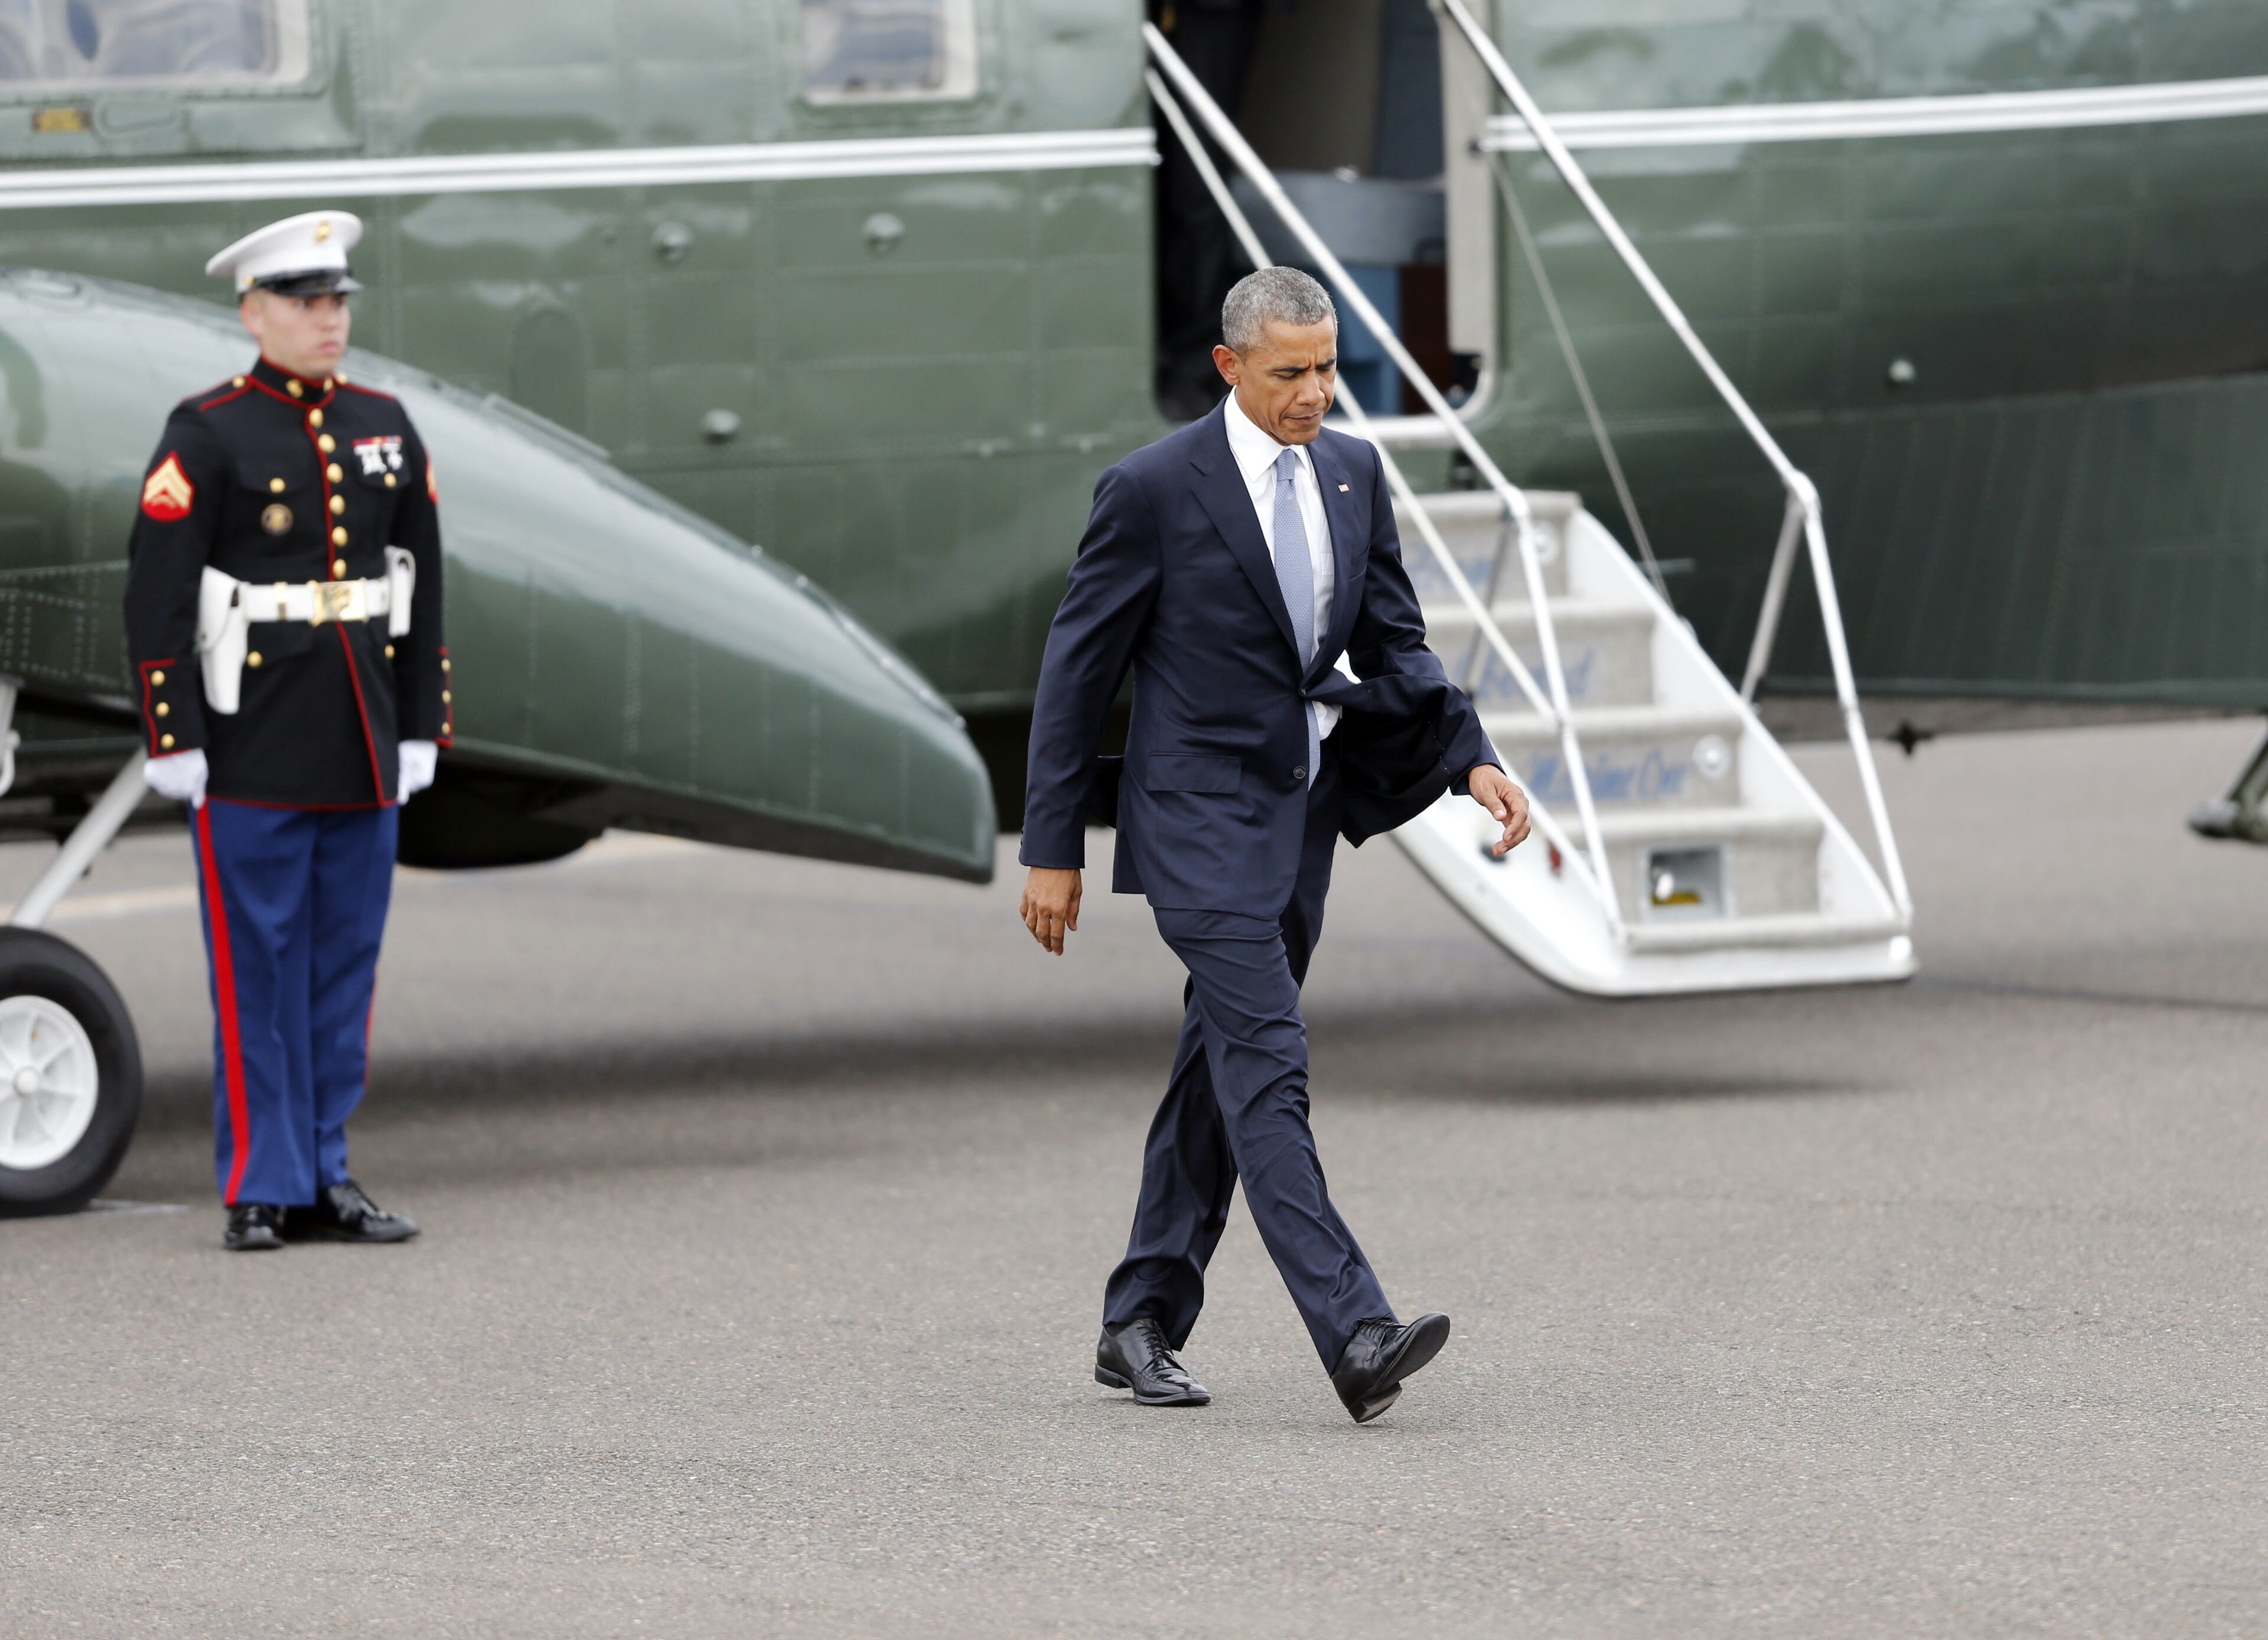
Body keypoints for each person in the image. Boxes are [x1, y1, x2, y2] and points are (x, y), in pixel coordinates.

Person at [1018, 266, 1530, 1423]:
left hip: (1300, 814)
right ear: (1230, 366)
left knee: (1220, 1063)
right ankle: (1355, 1326)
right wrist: (1052, 845)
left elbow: (1393, 635)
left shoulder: (1353, 471)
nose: (1314, 391)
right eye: (1291, 370)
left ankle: (1138, 1317)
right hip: (1193, 816)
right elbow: (1076, 672)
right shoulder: (1152, 490)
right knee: (1269, 1057)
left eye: (1328, 366)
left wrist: (1473, 755)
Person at [122, 210, 452, 1253]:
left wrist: (421, 723)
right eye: (306, 305)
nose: (329, 321)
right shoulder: (208, 432)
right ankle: (262, 1182)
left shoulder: (386, 424)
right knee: (257, 971)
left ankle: (326, 1173)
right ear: (253, 311)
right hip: (251, 738)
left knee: (343, 966)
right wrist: (174, 735)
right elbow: (160, 596)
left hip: (360, 736)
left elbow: (420, 586)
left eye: (337, 303)